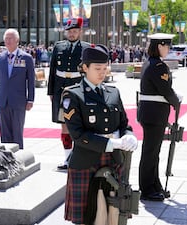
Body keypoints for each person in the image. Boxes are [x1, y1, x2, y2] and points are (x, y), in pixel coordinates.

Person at [61, 44, 138, 225]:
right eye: (97, 69)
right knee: (88, 216)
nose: (102, 73)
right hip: (86, 160)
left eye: (105, 68)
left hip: (114, 160)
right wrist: (113, 143)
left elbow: (124, 124)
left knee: (115, 212)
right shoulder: (72, 94)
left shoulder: (113, 92)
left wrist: (129, 136)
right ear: (85, 67)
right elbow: (78, 135)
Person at [138, 33, 181, 201]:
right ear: (159, 46)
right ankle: (147, 189)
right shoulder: (158, 66)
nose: (168, 49)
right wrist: (176, 101)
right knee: (150, 152)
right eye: (167, 46)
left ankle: (155, 185)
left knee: (153, 152)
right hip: (154, 114)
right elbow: (165, 90)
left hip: (151, 113)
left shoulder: (151, 63)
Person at [47, 17, 90, 170]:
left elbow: (89, 73)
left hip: (78, 91)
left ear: (80, 32)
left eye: (74, 31)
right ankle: (67, 159)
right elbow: (52, 71)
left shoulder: (86, 48)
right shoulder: (58, 47)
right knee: (64, 125)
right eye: (69, 32)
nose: (71, 34)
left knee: (78, 124)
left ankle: (78, 157)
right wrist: (51, 91)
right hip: (61, 90)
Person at [0, 28, 35, 149]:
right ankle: (6, 159)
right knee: (4, 133)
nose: (8, 41)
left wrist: (30, 99)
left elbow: (31, 81)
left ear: (17, 40)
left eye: (10, 38)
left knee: (17, 132)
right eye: (6, 38)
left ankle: (18, 157)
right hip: (2, 100)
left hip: (18, 101)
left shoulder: (26, 58)